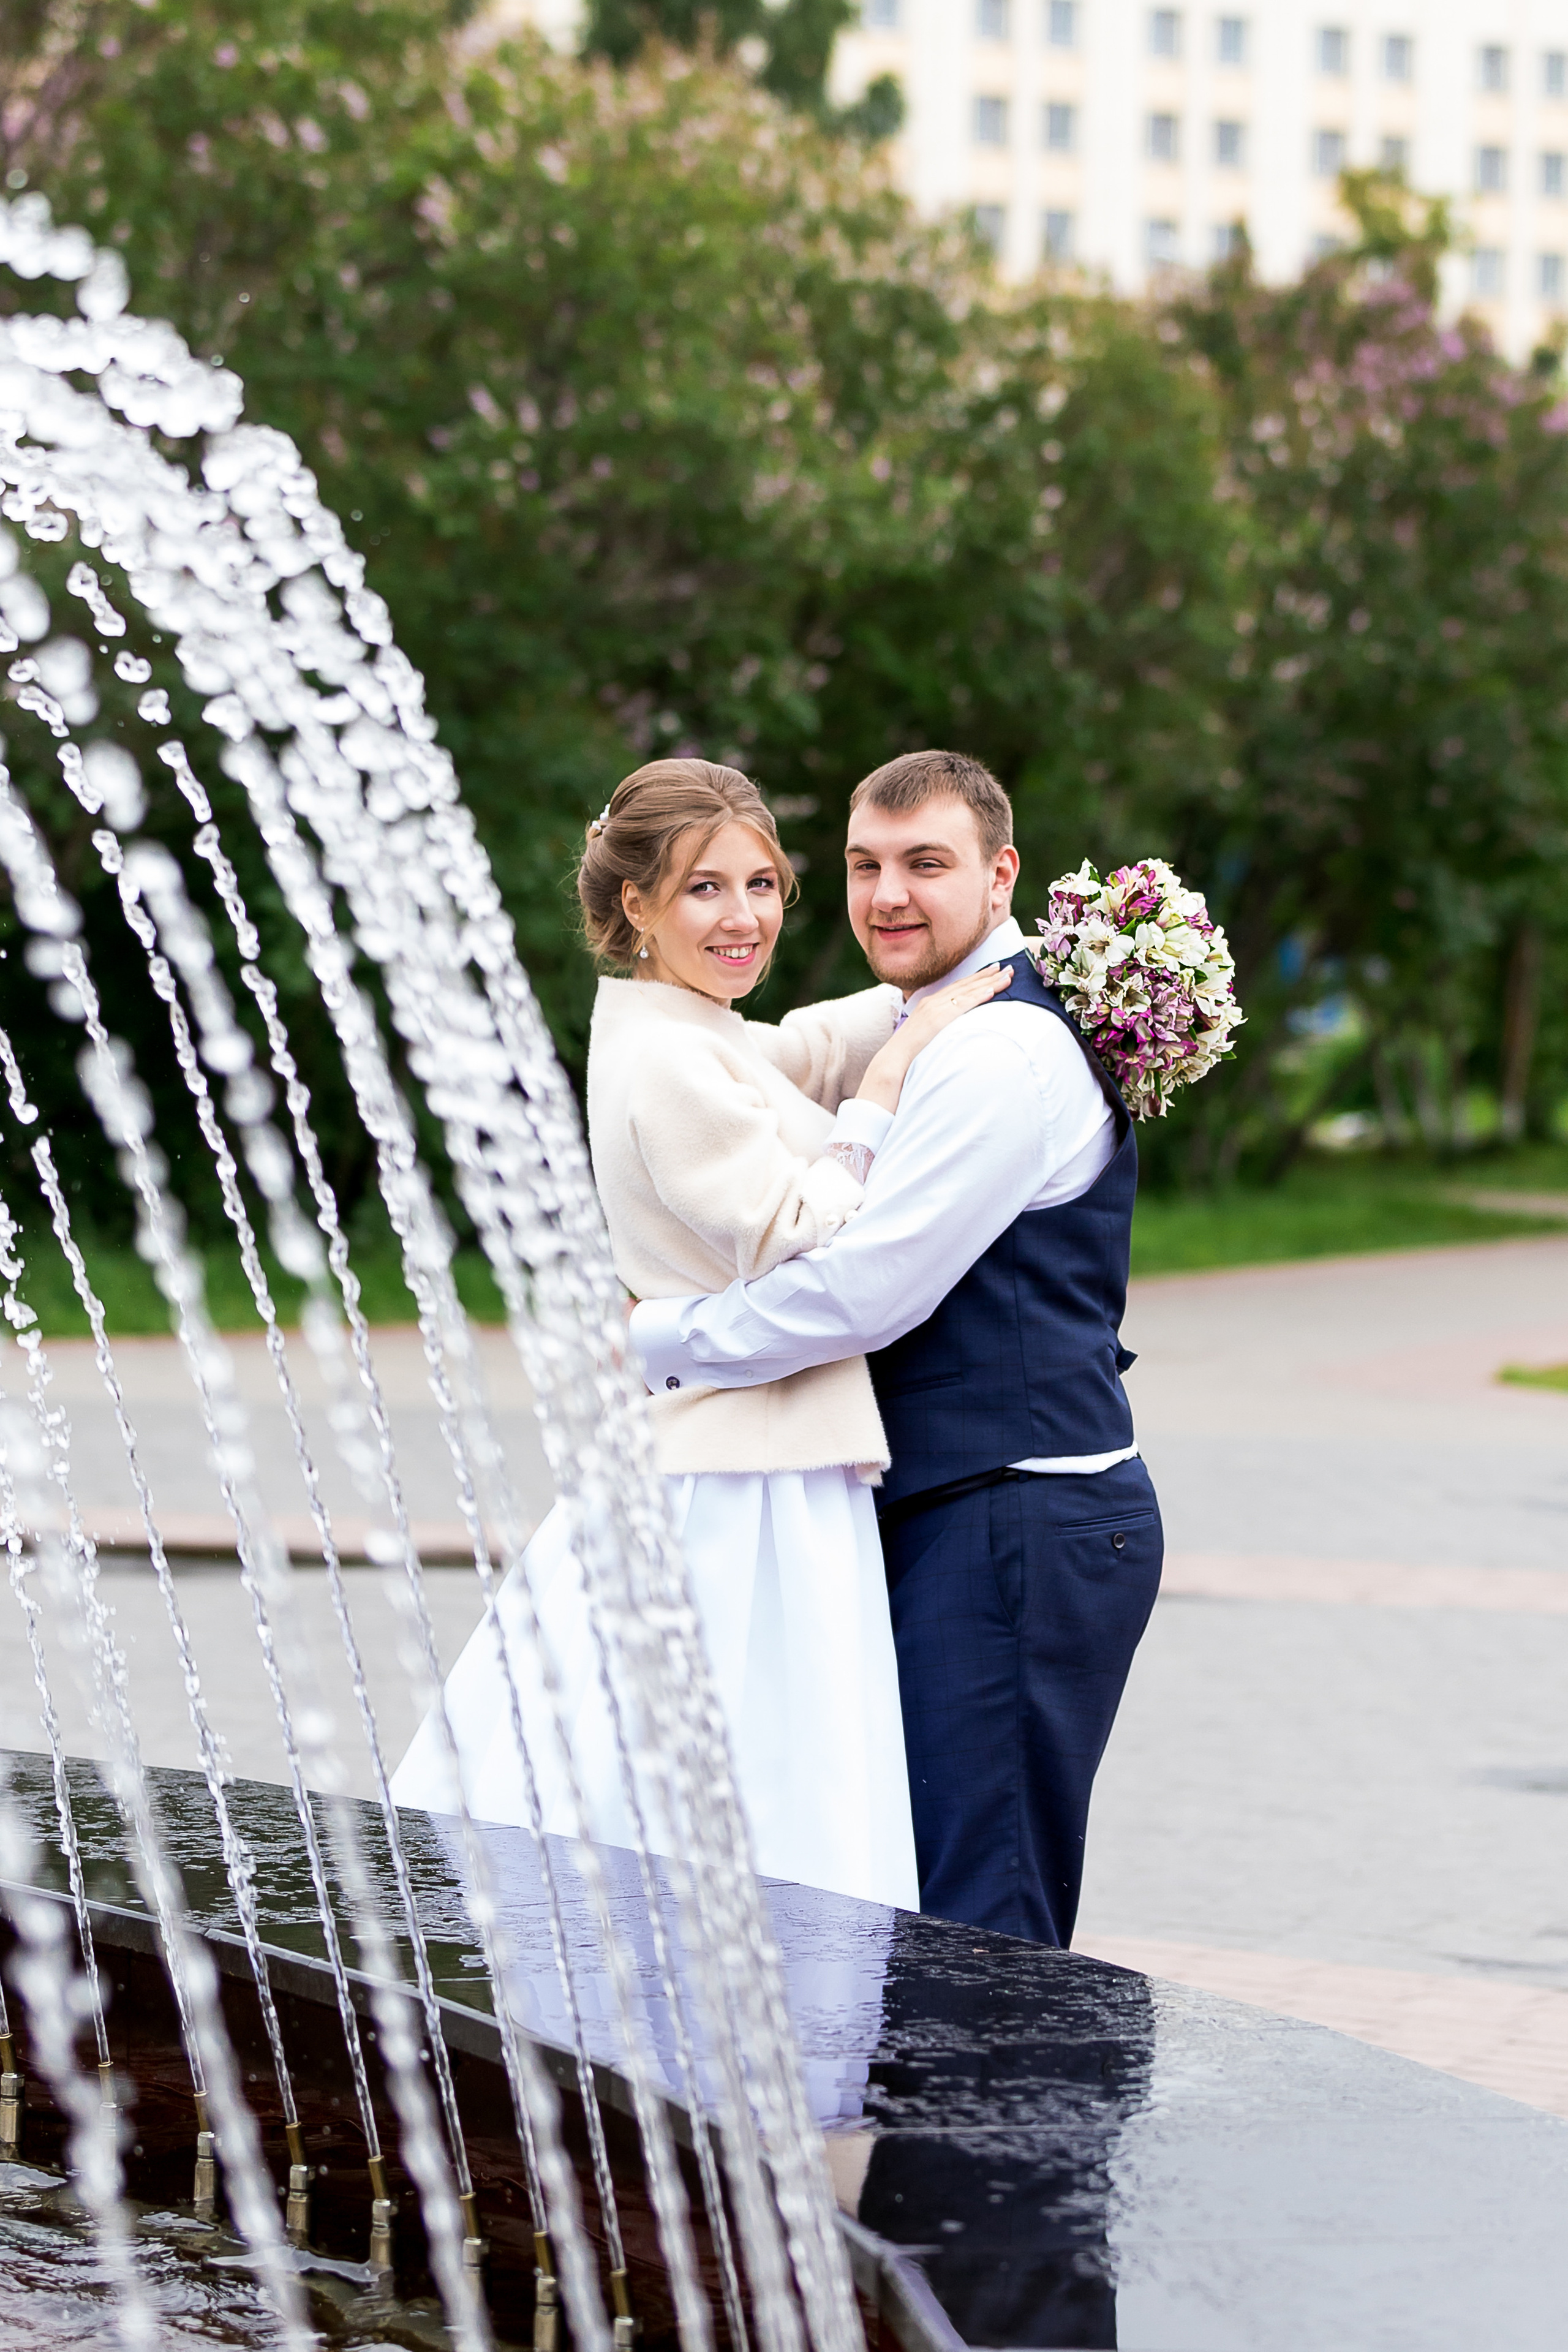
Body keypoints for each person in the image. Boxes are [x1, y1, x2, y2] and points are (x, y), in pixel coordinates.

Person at [391, 755, 1008, 1909]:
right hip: (740, 1476)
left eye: (763, 885)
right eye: (705, 891)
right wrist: (889, 1089)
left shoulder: (679, 1021)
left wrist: (974, 967)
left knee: (709, 1786)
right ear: (636, 904)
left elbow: (798, 1051)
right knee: (767, 1787)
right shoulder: (671, 1055)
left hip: (733, 1452)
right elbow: (798, 1226)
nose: (745, 919)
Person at [631, 750, 1164, 1948]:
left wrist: (661, 1342)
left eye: (925, 864)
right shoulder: (934, 1017)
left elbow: (865, 1292)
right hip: (958, 1510)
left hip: (1016, 1521)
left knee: (979, 1923)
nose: (886, 896)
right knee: (916, 1891)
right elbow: (756, 1073)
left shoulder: (1001, 1053)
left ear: (999, 872)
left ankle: (1002, 2141)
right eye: (864, 866)